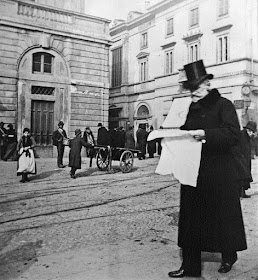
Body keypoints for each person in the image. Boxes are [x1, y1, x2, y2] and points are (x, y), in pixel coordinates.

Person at [168, 60, 247, 278]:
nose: (191, 94)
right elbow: (183, 130)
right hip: (193, 170)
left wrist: (206, 134)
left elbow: (233, 135)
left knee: (223, 217)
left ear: (207, 85)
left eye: (195, 89)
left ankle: (228, 256)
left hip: (220, 172)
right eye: (190, 89)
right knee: (191, 218)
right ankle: (190, 266)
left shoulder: (224, 105)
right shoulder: (191, 107)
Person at [235, 121, 257, 198]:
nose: (251, 133)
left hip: (245, 158)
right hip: (240, 158)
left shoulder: (247, 137)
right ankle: (240, 193)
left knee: (245, 175)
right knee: (241, 175)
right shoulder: (241, 135)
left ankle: (243, 192)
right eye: (251, 131)